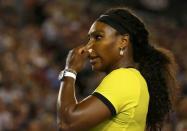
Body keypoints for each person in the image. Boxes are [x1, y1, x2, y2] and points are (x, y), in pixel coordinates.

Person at [57, 7, 178, 131]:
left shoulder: (125, 78)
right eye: (89, 39)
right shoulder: (132, 79)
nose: (88, 47)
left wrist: (70, 70)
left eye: (98, 37)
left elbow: (67, 123)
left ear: (123, 41)